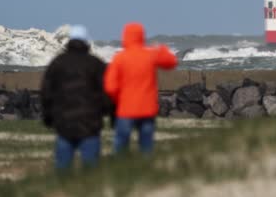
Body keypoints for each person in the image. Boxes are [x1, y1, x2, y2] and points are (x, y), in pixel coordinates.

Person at [41, 25, 112, 171]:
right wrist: (106, 111)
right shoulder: (95, 64)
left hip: (64, 124)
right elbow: (108, 91)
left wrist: (48, 116)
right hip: (90, 124)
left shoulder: (58, 63)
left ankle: (62, 192)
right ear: (86, 42)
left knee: (63, 172)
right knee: (91, 172)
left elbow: (46, 91)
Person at [104, 22, 178, 155]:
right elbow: (172, 62)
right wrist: (161, 49)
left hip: (126, 109)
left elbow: (110, 87)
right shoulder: (149, 55)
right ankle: (146, 170)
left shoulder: (120, 58)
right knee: (146, 148)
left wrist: (118, 101)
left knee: (120, 146)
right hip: (147, 109)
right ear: (142, 37)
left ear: (125, 37)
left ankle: (120, 170)